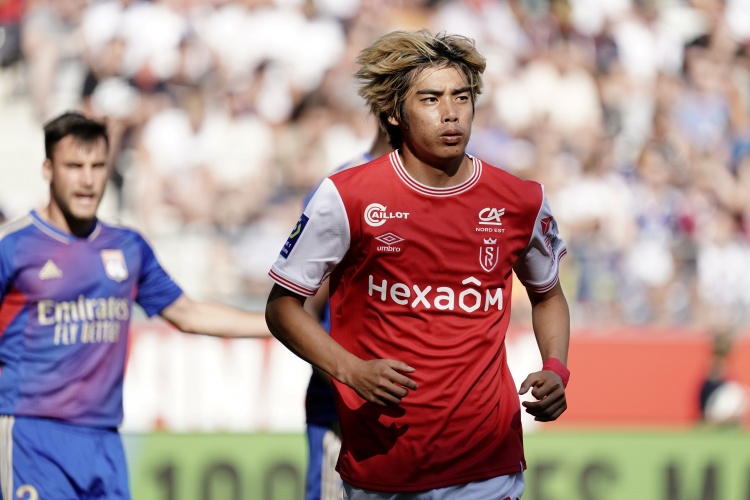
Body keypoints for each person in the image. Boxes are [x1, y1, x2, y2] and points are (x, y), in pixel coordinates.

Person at [265, 29, 571, 499]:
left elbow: (547, 295)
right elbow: (282, 307)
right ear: (394, 112)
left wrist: (556, 366)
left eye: (461, 97)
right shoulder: (346, 196)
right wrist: (351, 371)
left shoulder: (520, 200)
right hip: (380, 462)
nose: (450, 112)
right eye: (431, 99)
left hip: (486, 466)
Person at [0, 111, 270, 500]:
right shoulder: (13, 245)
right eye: (74, 166)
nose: (87, 180)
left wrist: (283, 325)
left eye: (97, 166)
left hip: (104, 439)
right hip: (32, 434)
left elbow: (189, 314)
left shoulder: (127, 245)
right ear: (48, 170)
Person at [303, 128, 391, 500]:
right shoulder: (342, 189)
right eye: (430, 101)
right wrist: (350, 380)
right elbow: (301, 307)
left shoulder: (448, 187)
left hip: (422, 416)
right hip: (344, 412)